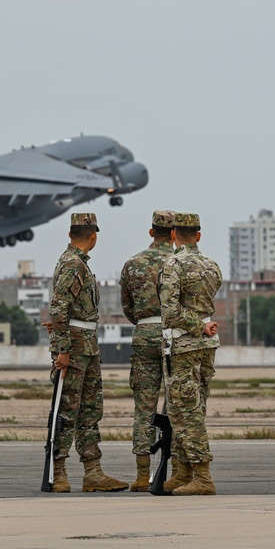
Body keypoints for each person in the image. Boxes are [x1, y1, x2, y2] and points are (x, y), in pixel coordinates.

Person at [44, 212, 128, 493]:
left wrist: (62, 330)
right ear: (94, 236)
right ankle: (59, 472)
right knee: (67, 410)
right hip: (76, 347)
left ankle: (93, 471)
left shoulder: (76, 263)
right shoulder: (73, 265)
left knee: (90, 410)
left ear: (70, 234)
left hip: (86, 344)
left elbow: (64, 309)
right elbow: (59, 308)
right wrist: (64, 349)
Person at [159, 212, 222, 495]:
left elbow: (170, 311)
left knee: (185, 412)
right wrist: (203, 325)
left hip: (184, 345)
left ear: (173, 235)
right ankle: (184, 472)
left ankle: (202, 476)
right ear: (198, 235)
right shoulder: (211, 265)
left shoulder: (173, 265)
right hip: (206, 347)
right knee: (191, 409)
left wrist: (197, 326)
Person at [119, 210, 176, 492]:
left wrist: (145, 322)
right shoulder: (181, 263)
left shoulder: (133, 264)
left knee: (144, 407)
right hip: (174, 336)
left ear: (151, 232)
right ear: (175, 234)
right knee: (177, 406)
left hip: (144, 334)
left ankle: (142, 475)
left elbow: (128, 307)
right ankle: (177, 471)